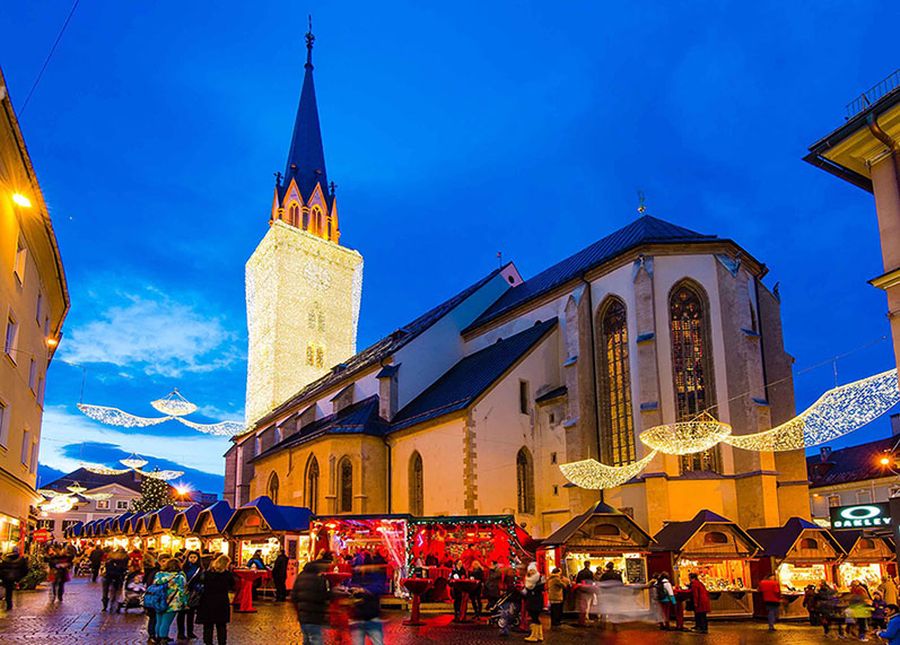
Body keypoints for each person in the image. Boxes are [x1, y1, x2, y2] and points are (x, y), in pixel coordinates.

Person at [196, 555, 234, 645]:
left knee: (208, 625)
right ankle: (222, 642)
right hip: (221, 601)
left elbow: (200, 583)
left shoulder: (207, 574)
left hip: (207, 601)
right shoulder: (227, 575)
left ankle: (208, 642)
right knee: (221, 625)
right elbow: (232, 585)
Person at [292, 559, 330, 645]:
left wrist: (298, 612)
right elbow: (322, 596)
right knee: (316, 639)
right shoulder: (319, 578)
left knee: (306, 640)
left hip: (303, 618)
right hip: (315, 617)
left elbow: (294, 596)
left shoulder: (300, 576)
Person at [152, 558, 188, 644]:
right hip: (173, 603)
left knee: (159, 621)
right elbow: (182, 591)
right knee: (166, 622)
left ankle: (158, 637)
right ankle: (163, 638)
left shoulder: (159, 575)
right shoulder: (179, 577)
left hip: (159, 601)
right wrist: (185, 603)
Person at [177, 551, 203, 640]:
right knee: (181, 613)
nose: (193, 559)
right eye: (191, 557)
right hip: (183, 592)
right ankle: (181, 632)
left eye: (194, 557)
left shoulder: (199, 569)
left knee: (191, 613)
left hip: (193, 592)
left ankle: (190, 632)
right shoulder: (183, 568)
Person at [523, 562, 545, 642]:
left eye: (532, 570)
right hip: (532, 600)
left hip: (535, 601)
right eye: (530, 570)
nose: (531, 572)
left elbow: (539, 589)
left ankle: (534, 636)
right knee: (535, 618)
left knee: (534, 618)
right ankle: (539, 635)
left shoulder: (538, 579)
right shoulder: (530, 579)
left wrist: (530, 590)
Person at [102, 548, 128, 612]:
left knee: (105, 591)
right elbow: (124, 568)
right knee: (115, 591)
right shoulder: (124, 559)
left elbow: (106, 567)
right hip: (117, 577)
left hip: (108, 576)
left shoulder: (110, 560)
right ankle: (113, 604)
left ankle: (105, 606)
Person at [143, 553, 161, 640]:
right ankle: (152, 634)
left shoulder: (152, 571)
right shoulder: (155, 572)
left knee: (154, 617)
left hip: (152, 597)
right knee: (154, 617)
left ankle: (154, 634)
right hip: (154, 597)